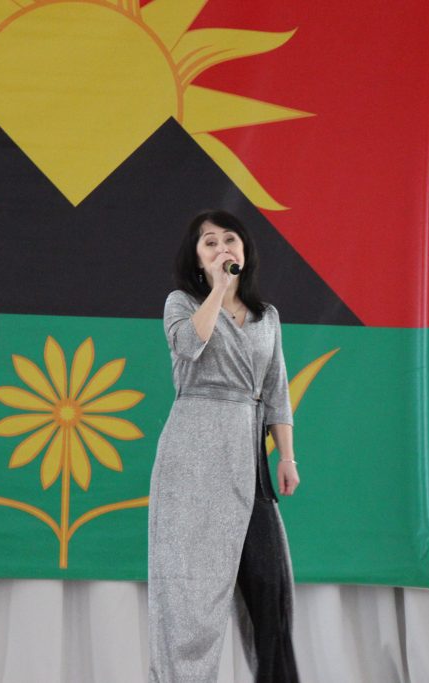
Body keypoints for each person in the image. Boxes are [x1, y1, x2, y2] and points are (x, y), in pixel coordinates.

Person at [148, 209, 301, 682]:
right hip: (191, 462)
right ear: (197, 258)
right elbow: (188, 345)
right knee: (189, 595)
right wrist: (217, 290)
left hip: (248, 462)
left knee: (271, 589)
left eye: (229, 239)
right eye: (209, 243)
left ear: (245, 250)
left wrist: (287, 456)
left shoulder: (267, 317)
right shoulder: (181, 303)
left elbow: (276, 390)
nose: (222, 249)